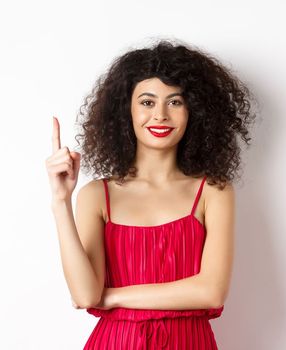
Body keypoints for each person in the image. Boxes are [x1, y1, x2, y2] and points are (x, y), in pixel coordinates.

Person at [45, 39, 256, 349]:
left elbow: (211, 291)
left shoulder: (213, 191)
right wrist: (60, 201)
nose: (160, 115)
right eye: (147, 102)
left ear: (194, 110)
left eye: (175, 102)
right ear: (125, 109)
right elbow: (85, 296)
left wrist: (114, 296)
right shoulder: (96, 195)